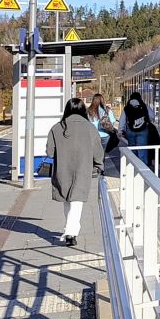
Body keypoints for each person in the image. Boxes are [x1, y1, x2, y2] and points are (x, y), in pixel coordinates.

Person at [45, 97, 103, 246]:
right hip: (83, 168)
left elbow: (49, 152)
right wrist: (98, 165)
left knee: (67, 200)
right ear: (83, 110)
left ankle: (69, 230)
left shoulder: (57, 128)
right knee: (77, 200)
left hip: (62, 169)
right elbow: (98, 150)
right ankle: (70, 232)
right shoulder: (90, 128)